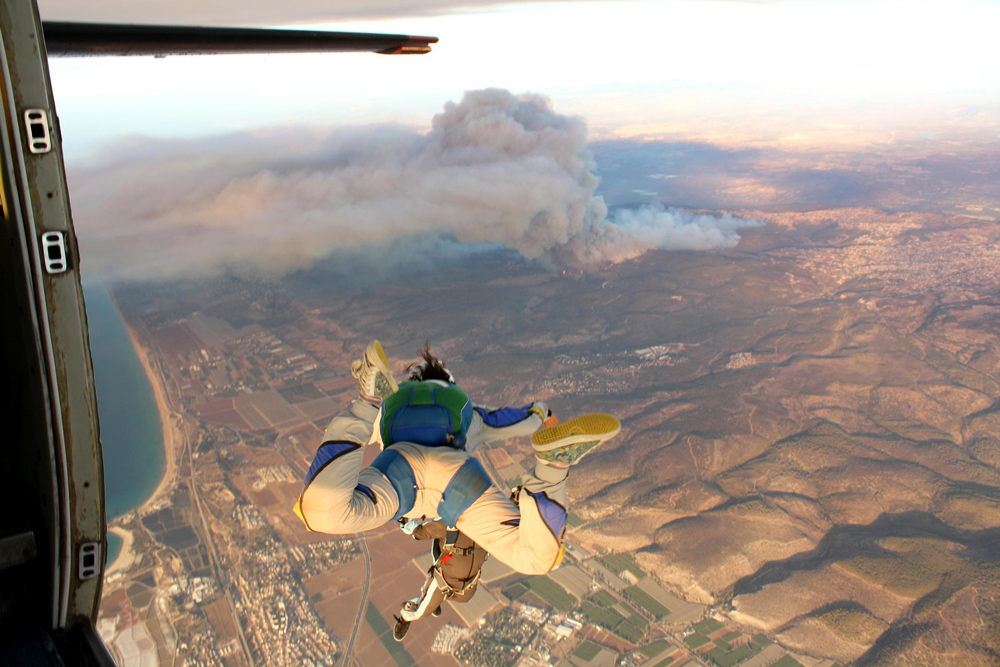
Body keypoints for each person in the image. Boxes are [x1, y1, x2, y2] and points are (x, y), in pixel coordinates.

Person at [293, 340, 619, 586]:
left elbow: (351, 447)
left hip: (399, 470)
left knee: (324, 512)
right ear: (448, 383)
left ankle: (365, 399)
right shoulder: (465, 408)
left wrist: (368, 409)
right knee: (536, 557)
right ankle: (551, 469)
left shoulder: (392, 403)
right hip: (456, 479)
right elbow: (512, 421)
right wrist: (542, 414)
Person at [390, 519, 486, 641]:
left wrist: (405, 523)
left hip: (447, 582)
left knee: (419, 610)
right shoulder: (483, 521)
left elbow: (420, 532)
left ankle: (405, 619)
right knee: (439, 558)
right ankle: (433, 602)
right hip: (467, 590)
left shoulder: (448, 522)